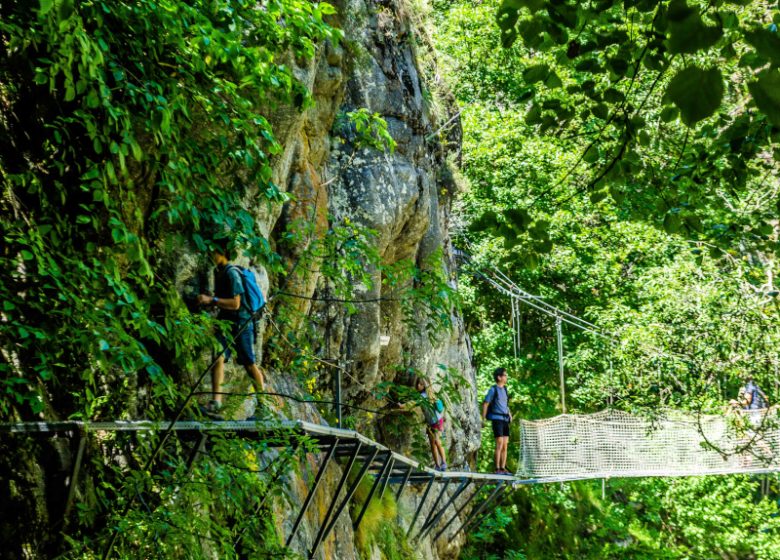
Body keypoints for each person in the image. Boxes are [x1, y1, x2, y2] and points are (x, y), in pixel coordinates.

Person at [197, 241, 265, 419]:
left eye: (214, 251)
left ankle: (263, 407)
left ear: (222, 253)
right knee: (217, 357)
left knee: (249, 364)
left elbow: (236, 304)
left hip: (241, 322)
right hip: (225, 322)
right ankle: (216, 403)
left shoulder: (232, 273)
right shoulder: (217, 273)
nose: (211, 255)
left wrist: (211, 300)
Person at [482, 367, 512, 475]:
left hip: (505, 419)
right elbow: (486, 403)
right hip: (497, 419)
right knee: (499, 443)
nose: (506, 377)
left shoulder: (505, 389)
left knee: (505, 444)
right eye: (504, 375)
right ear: (499, 377)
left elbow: (505, 404)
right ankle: (497, 468)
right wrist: (483, 419)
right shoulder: (493, 389)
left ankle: (503, 468)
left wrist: (509, 413)